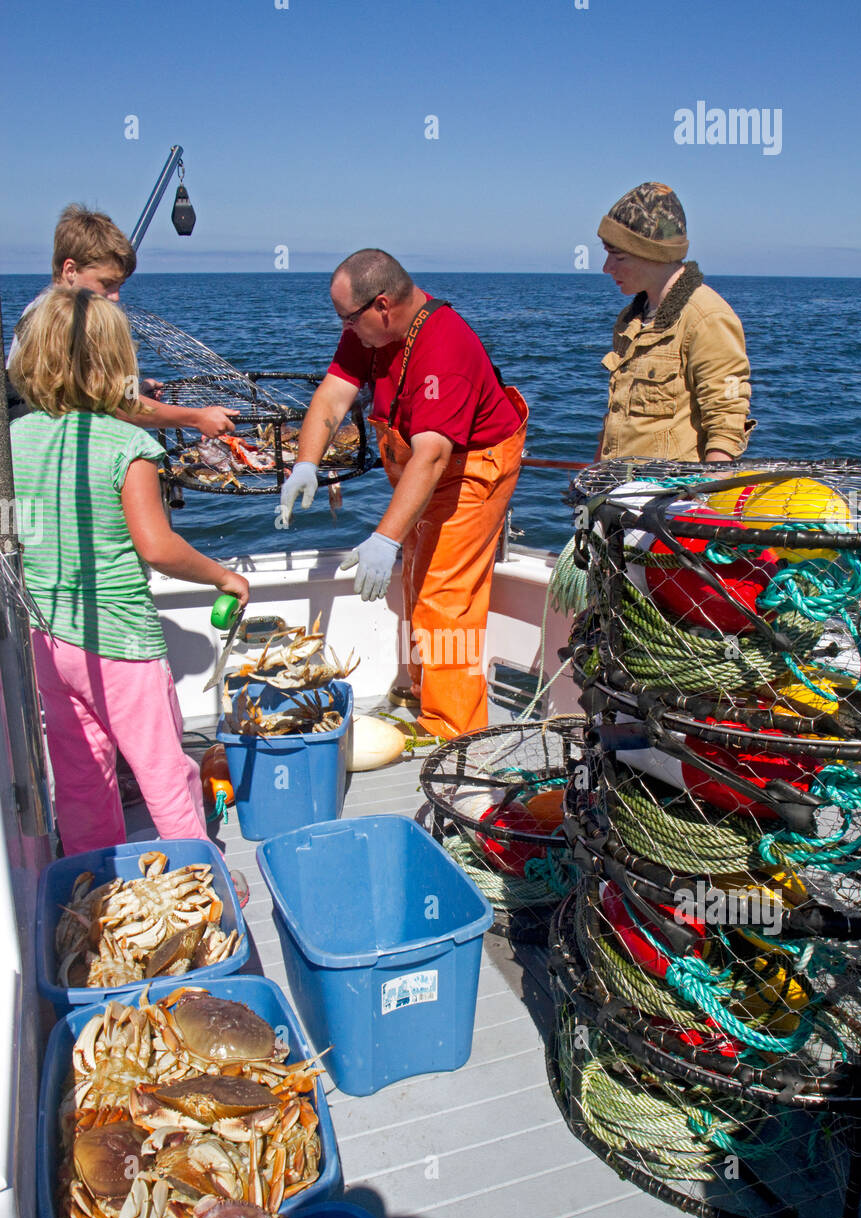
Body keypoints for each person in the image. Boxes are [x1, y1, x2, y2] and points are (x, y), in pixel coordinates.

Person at [8, 286, 250, 857]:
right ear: (118, 365)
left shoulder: (13, 439)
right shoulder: (129, 444)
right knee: (163, 768)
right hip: (121, 643)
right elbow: (158, 547)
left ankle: (92, 881)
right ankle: (198, 875)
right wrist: (223, 577)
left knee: (81, 772)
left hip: (44, 639)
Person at [279, 248, 528, 740]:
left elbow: (433, 456)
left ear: (382, 306)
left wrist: (384, 536)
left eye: (347, 318)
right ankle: (422, 692)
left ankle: (452, 730)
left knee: (443, 593)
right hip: (420, 469)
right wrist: (306, 462)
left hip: (469, 471)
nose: (343, 328)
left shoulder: (444, 347)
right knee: (415, 578)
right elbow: (332, 394)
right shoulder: (369, 333)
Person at [7, 205, 238, 438]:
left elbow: (95, 392)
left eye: (120, 286)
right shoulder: (63, 321)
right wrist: (197, 418)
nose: (116, 296)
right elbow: (120, 406)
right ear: (70, 270)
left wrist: (135, 390)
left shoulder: (42, 309)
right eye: (106, 284)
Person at [595, 182, 754, 464]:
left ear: (653, 255)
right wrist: (594, 478)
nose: (607, 267)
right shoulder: (629, 320)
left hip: (670, 503)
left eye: (618, 256)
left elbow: (727, 426)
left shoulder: (707, 318)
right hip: (617, 498)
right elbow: (615, 420)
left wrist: (702, 500)